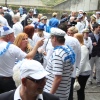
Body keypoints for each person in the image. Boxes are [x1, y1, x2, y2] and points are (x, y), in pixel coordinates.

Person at [0, 25, 44, 93]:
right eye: (12, 35)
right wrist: (37, 45)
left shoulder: (13, 47)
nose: (14, 37)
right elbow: (29, 57)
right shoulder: (12, 48)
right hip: (8, 81)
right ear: (8, 36)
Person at [44, 28, 75, 100]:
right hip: (64, 92)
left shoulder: (58, 54)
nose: (50, 41)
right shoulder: (68, 49)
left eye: (51, 38)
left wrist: (50, 96)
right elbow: (71, 68)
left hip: (56, 94)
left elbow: (58, 78)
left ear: (54, 38)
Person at [58, 23, 81, 100]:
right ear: (66, 30)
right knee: (69, 93)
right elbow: (79, 56)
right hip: (71, 71)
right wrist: (76, 66)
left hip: (58, 72)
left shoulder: (55, 40)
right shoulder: (74, 40)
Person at [74, 33, 91, 100]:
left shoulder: (83, 48)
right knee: (80, 90)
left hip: (84, 71)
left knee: (80, 90)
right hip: (82, 71)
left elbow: (82, 62)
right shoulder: (80, 47)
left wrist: (77, 74)